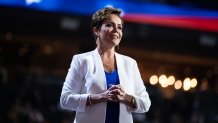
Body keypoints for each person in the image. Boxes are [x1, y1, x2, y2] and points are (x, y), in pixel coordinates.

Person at [60, 7, 151, 123]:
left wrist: (124, 97)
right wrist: (101, 97)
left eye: (119, 27)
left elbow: (145, 103)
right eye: (109, 25)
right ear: (96, 30)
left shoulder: (130, 63)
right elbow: (65, 100)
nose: (116, 30)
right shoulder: (81, 60)